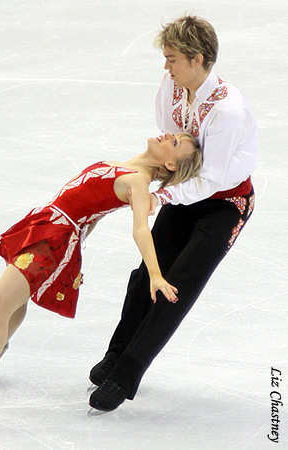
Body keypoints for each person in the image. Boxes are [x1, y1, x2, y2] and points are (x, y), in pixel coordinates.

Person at [0, 131, 202, 427]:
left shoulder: (138, 183)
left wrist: (156, 275)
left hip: (53, 241)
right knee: (13, 301)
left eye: (174, 144)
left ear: (171, 165)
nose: (168, 136)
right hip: (47, 226)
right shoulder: (129, 167)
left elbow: (141, 230)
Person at [89, 15, 257, 412]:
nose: (166, 67)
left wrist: (159, 200)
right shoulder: (173, 86)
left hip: (224, 203)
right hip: (185, 190)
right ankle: (115, 355)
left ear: (198, 59)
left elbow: (212, 178)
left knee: (174, 288)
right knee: (145, 276)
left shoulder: (228, 111)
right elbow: (169, 147)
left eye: (173, 59)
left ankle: (126, 375)